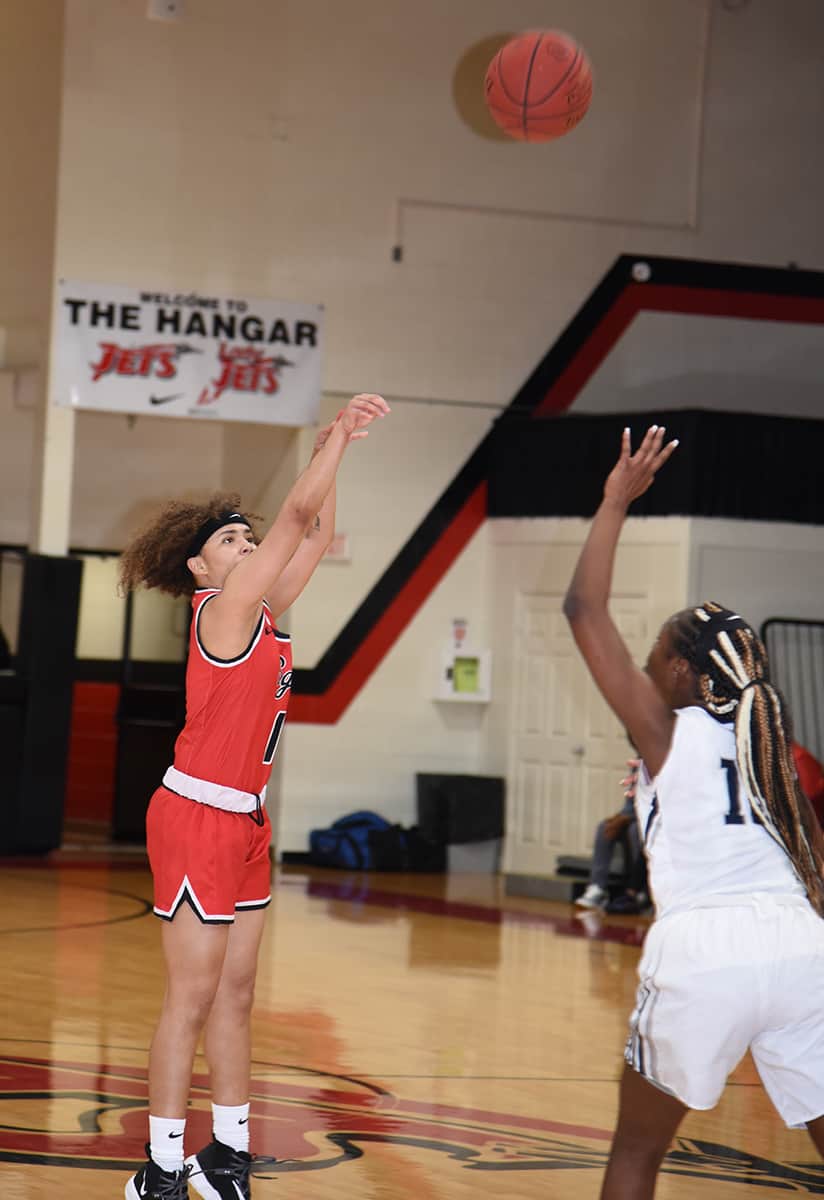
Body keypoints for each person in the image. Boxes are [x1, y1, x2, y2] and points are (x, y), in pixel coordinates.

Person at [118, 393, 390, 1200]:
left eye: (248, 536)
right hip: (197, 813)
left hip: (245, 819)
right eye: (233, 539)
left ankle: (225, 1157)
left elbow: (313, 528)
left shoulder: (264, 612)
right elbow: (298, 511)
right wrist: (334, 442)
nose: (248, 544)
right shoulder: (226, 609)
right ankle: (159, 1169)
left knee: (237, 993)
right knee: (192, 996)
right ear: (201, 567)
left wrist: (332, 451)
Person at [563, 424, 824, 1199]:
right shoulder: (774, 751)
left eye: (652, 655)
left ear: (680, 671)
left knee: (638, 1153)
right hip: (803, 949)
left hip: (707, 947)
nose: (642, 666)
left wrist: (615, 501)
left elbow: (583, 610)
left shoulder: (667, 729)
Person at [575, 758, 642, 910]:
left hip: (654, 817)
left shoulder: (661, 760)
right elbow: (630, 803)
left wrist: (625, 818)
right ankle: (597, 887)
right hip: (634, 815)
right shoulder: (637, 765)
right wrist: (621, 817)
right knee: (605, 827)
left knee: (634, 832)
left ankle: (637, 890)